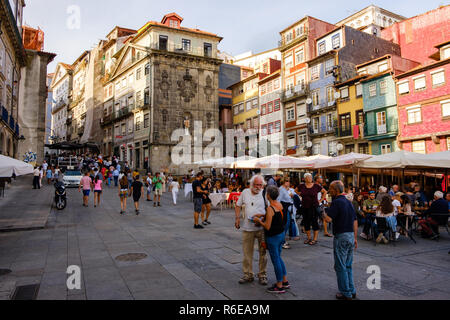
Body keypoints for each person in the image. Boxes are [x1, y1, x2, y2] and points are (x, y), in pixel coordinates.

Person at [323, 181, 358, 300]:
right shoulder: (349, 202)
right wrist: (355, 237)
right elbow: (355, 221)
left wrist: (321, 212)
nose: (329, 191)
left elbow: (328, 219)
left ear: (336, 190)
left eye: (330, 189)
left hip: (341, 236)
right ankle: (352, 290)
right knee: (348, 265)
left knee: (341, 266)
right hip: (350, 235)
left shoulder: (337, 202)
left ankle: (345, 292)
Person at [253, 186, 289, 294]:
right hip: (281, 234)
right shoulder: (279, 204)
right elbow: (275, 216)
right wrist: (263, 215)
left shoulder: (270, 208)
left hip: (273, 237)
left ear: (268, 195)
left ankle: (279, 285)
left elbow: (267, 226)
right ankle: (285, 281)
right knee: (279, 257)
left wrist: (258, 221)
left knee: (276, 260)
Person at [235, 175, 268, 286]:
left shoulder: (265, 193)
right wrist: (237, 218)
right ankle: (248, 274)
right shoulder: (245, 192)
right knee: (247, 253)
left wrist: (262, 217)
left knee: (263, 253)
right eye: (256, 185)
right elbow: (238, 205)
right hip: (248, 227)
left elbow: (270, 209)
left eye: (260, 185)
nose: (258, 187)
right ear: (251, 184)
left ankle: (262, 274)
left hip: (262, 228)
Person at [297, 173, 327, 245]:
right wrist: (300, 194)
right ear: (304, 179)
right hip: (305, 207)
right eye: (308, 177)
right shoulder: (301, 186)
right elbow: (296, 191)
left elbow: (325, 191)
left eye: (310, 177)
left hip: (314, 207)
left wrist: (321, 200)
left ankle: (315, 239)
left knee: (314, 222)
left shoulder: (316, 186)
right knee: (306, 222)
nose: (310, 178)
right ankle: (309, 238)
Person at [277, 178, 296, 249]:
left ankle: (282, 240)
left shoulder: (286, 189)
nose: (288, 182)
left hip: (287, 208)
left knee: (286, 225)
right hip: (283, 209)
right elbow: (278, 200)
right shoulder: (281, 189)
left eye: (289, 181)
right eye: (287, 181)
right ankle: (281, 241)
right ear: (283, 182)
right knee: (285, 225)